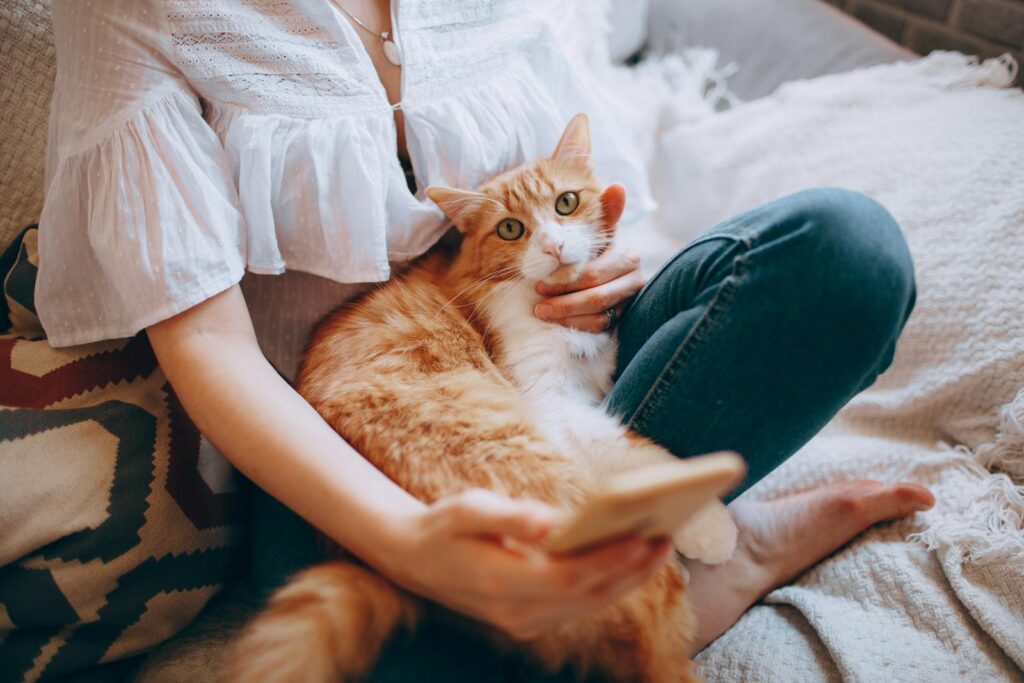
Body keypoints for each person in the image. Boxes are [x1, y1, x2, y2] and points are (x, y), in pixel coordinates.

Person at [37, 0, 933, 673]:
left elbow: (585, 182)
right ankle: (690, 575)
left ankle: (620, 570)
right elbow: (212, 351)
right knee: (427, 646)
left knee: (845, 256)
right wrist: (411, 544)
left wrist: (612, 274)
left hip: (558, 356)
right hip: (351, 456)